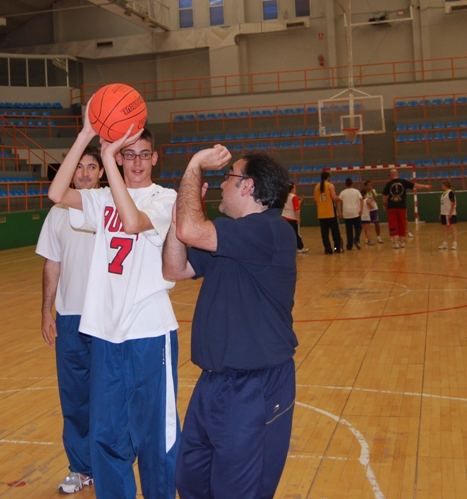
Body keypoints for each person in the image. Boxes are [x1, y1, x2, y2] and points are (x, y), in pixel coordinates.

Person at [47, 118, 180, 499]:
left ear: (154, 158)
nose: (136, 163)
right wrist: (86, 135)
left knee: (156, 435)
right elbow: (57, 192)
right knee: (106, 434)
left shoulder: (164, 198)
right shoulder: (100, 198)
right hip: (104, 331)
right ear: (120, 159)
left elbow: (133, 221)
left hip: (149, 329)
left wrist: (108, 158)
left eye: (143, 155)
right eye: (128, 155)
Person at [162, 147, 298, 499]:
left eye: (228, 177)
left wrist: (194, 166)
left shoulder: (268, 230)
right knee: (192, 481)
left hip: (256, 385)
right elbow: (173, 269)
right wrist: (180, 212)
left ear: (248, 187)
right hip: (213, 384)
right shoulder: (231, 238)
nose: (222, 184)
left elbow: (194, 230)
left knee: (238, 491)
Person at [35, 146, 103, 494]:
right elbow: (52, 263)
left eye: (92, 166)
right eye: (80, 167)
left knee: (109, 397)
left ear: (103, 172)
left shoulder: (112, 206)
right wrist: (47, 310)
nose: (86, 173)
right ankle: (81, 467)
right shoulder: (58, 213)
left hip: (109, 319)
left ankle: (110, 464)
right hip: (71, 319)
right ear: (71, 173)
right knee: (75, 398)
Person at [382, 168, 431, 249]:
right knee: (402, 223)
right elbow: (415, 185)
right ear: (397, 174)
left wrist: (384, 204)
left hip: (391, 207)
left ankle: (395, 242)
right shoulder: (403, 182)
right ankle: (402, 242)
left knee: (393, 224)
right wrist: (425, 186)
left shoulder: (388, 184)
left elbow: (384, 195)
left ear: (390, 175)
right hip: (402, 207)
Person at [313, 170, 343, 254]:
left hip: (321, 213)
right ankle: (337, 248)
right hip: (330, 212)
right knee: (335, 232)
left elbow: (315, 200)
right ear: (328, 177)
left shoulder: (317, 186)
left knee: (324, 234)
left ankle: (327, 249)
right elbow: (333, 197)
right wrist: (339, 198)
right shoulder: (330, 185)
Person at [281, 181, 307, 254]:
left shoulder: (285, 196)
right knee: (296, 234)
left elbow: (295, 205)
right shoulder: (294, 197)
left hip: (284, 217)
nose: (296, 189)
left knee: (287, 234)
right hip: (292, 218)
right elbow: (296, 209)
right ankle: (300, 247)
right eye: (295, 188)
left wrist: (301, 200)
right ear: (292, 189)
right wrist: (298, 218)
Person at [339, 177, 363, 251]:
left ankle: (349, 246)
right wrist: (361, 210)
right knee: (358, 227)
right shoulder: (356, 191)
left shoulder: (343, 192)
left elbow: (339, 201)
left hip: (346, 213)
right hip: (355, 212)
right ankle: (356, 240)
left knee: (349, 230)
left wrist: (339, 212)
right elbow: (361, 200)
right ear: (352, 183)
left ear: (345, 184)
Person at [438, 179, 458, 250]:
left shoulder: (450, 193)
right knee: (445, 229)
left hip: (449, 214)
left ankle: (455, 243)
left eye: (443, 184)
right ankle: (445, 243)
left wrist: (450, 213)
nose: (442, 186)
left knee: (453, 228)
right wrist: (441, 214)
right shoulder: (443, 194)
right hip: (444, 213)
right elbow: (443, 205)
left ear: (445, 185)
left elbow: (453, 203)